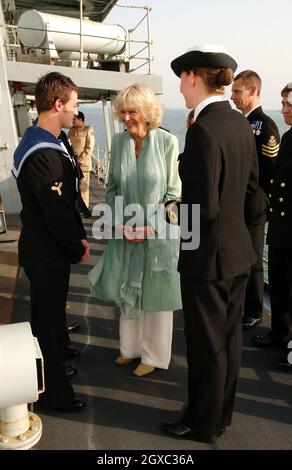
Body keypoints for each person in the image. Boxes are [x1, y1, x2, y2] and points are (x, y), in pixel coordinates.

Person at [161, 45, 259, 443]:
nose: (180, 90)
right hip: (239, 255)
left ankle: (201, 424)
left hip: (207, 259)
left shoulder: (202, 130)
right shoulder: (239, 123)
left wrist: (171, 212)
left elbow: (203, 209)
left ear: (192, 78)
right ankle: (220, 416)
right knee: (230, 342)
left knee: (205, 347)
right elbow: (254, 195)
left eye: (181, 81)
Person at [88, 83, 182, 377]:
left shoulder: (167, 143)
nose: (127, 117)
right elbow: (113, 185)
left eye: (133, 111)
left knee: (155, 298)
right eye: (123, 111)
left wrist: (150, 228)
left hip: (158, 234)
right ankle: (130, 350)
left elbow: (173, 195)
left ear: (147, 111)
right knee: (127, 289)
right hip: (126, 229)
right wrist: (117, 222)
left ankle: (153, 357)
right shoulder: (118, 143)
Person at [12, 71, 90, 412]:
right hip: (46, 253)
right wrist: (76, 248)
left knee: (52, 317)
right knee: (46, 321)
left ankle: (55, 365)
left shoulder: (44, 138)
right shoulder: (44, 153)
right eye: (72, 105)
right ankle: (55, 393)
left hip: (45, 249)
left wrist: (81, 235)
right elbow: (57, 214)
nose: (75, 111)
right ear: (58, 104)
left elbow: (70, 200)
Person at [231, 70, 280, 329]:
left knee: (252, 257)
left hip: (254, 203)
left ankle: (254, 309)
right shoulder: (239, 122)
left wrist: (262, 203)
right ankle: (240, 304)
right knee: (240, 255)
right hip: (238, 203)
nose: (233, 95)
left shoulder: (265, 126)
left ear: (252, 91)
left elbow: (270, 171)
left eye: (237, 91)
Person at [253, 82, 292, 371]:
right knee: (279, 285)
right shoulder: (289, 139)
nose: (284, 109)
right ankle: (280, 332)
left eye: (289, 104)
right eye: (283, 103)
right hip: (280, 225)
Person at [68, 111, 95, 208]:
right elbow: (67, 144)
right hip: (72, 163)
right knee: (73, 186)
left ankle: (84, 207)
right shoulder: (71, 130)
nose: (73, 121)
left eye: (74, 119)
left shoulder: (88, 129)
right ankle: (75, 206)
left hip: (83, 164)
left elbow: (89, 148)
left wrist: (80, 160)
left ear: (80, 119)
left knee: (83, 187)